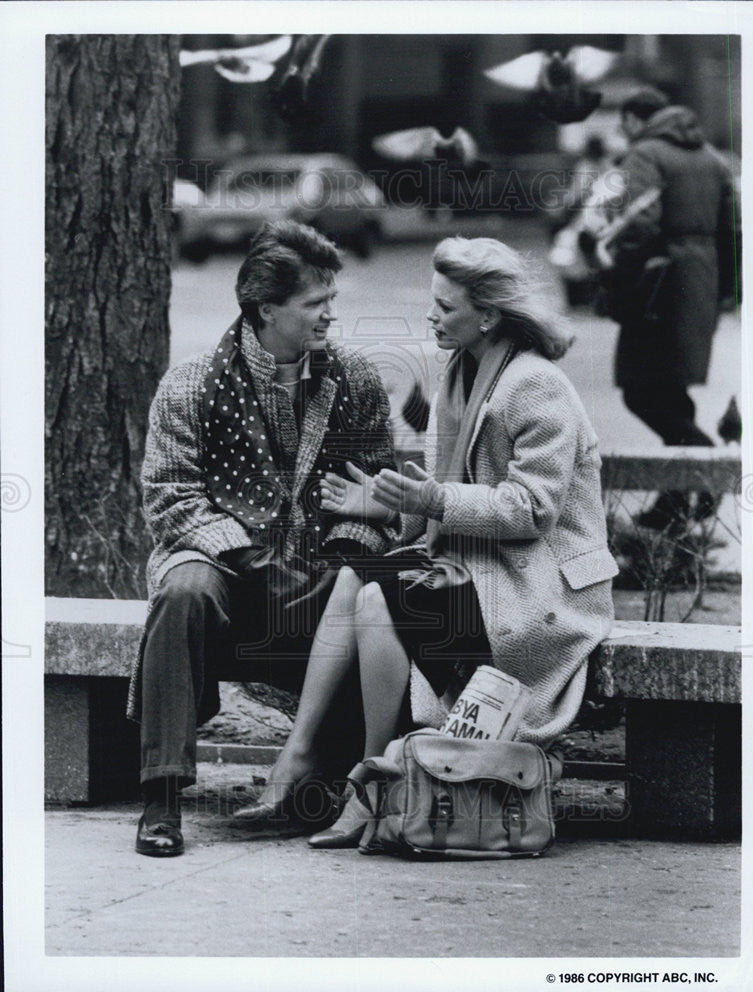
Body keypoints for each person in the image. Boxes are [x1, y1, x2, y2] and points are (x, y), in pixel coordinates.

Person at [241, 236, 619, 849]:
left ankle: (368, 783)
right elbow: (444, 497)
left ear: (488, 316)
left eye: (445, 308)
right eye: (432, 303)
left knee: (375, 596)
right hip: (483, 572)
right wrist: (389, 504)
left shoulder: (535, 386)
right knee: (355, 578)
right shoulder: (463, 373)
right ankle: (317, 758)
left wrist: (428, 500)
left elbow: (531, 511)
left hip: (540, 595)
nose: (431, 317)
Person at [127, 221, 397, 857]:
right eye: (314, 303)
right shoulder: (189, 385)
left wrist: (345, 552)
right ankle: (162, 798)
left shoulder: (354, 380)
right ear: (266, 308)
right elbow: (170, 498)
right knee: (183, 593)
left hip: (320, 581)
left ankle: (328, 782)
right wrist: (250, 557)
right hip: (226, 573)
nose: (330, 314)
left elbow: (375, 495)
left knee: (365, 594)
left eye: (331, 299)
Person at [605, 86, 739, 529]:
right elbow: (734, 230)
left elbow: (635, 222)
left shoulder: (644, 155)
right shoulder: (713, 158)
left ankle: (704, 468)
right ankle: (678, 499)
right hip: (701, 283)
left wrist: (613, 274)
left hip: (656, 287)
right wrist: (726, 291)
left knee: (642, 390)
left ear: (632, 120)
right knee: (669, 388)